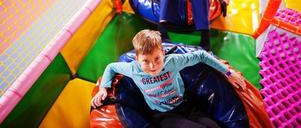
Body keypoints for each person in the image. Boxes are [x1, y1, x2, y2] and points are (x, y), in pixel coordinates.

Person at [91, 29, 245, 128]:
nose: (152, 66)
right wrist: (103, 88)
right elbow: (111, 67)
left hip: (186, 106)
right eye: (146, 61)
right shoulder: (133, 69)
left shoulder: (172, 61)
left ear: (163, 53)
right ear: (137, 58)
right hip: (163, 115)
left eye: (157, 59)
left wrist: (228, 73)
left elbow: (202, 56)